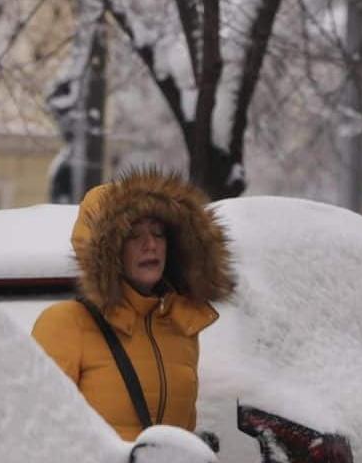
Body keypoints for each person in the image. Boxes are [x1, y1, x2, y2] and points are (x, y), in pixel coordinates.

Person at [31, 169, 235, 441]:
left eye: (159, 233)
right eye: (133, 235)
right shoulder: (67, 324)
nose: (150, 245)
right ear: (108, 249)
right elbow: (39, 433)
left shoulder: (180, 327)